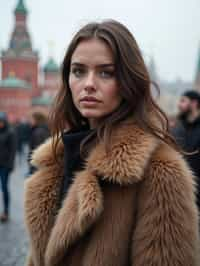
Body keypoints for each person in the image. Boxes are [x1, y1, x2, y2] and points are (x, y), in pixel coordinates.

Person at [24, 20, 199, 266]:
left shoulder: (162, 172)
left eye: (106, 72)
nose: (88, 84)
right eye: (78, 71)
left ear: (129, 82)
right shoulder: (56, 160)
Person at [172, 90, 200, 211]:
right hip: (180, 191)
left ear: (194, 103)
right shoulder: (177, 127)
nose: (179, 104)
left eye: (183, 101)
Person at [0, 112, 16, 222]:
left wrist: (10, 165)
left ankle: (6, 211)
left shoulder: (10, 132)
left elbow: (13, 151)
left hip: (5, 165)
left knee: (4, 188)